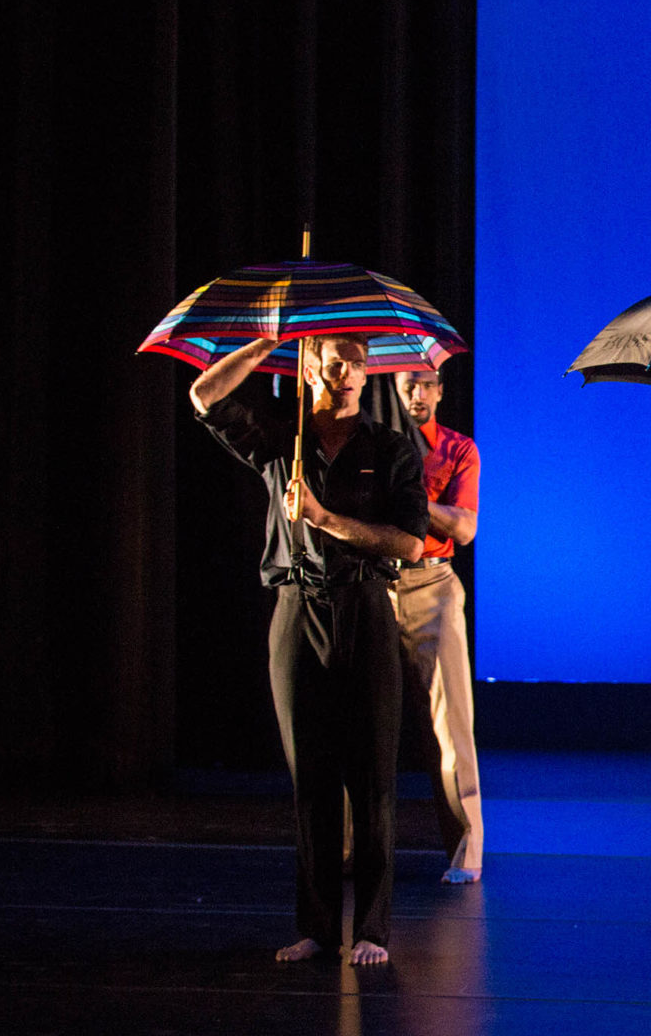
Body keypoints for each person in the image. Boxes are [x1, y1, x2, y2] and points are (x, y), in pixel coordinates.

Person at [190, 334, 427, 965]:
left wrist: (321, 517)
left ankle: (373, 929)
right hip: (297, 607)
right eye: (334, 360)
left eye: (356, 361)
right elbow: (204, 394)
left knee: (371, 776)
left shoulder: (391, 449)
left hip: (366, 609)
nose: (346, 371)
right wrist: (265, 343)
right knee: (312, 779)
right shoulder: (281, 441)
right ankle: (319, 926)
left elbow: (409, 545)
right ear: (312, 366)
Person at [391, 364, 485, 884]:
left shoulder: (457, 449)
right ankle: (349, 849)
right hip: (375, 580)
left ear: (441, 391)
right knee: (363, 722)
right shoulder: (376, 444)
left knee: (450, 724)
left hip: (432, 584)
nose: (417, 393)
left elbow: (465, 527)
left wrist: (416, 501)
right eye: (408, 384)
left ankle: (467, 849)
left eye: (426, 384)